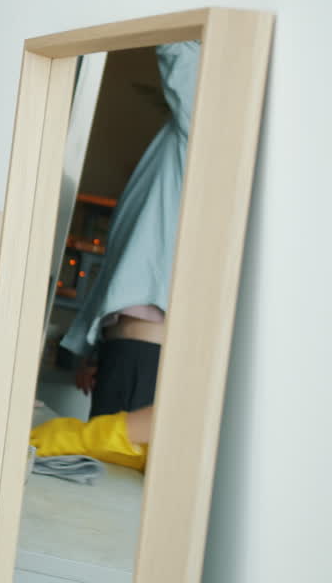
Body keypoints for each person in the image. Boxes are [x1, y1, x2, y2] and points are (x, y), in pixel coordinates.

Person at [62, 42, 200, 419]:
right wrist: (98, 350)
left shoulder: (205, 127)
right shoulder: (182, 142)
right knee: (103, 471)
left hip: (144, 358)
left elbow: (178, 49)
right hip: (126, 355)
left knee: (112, 473)